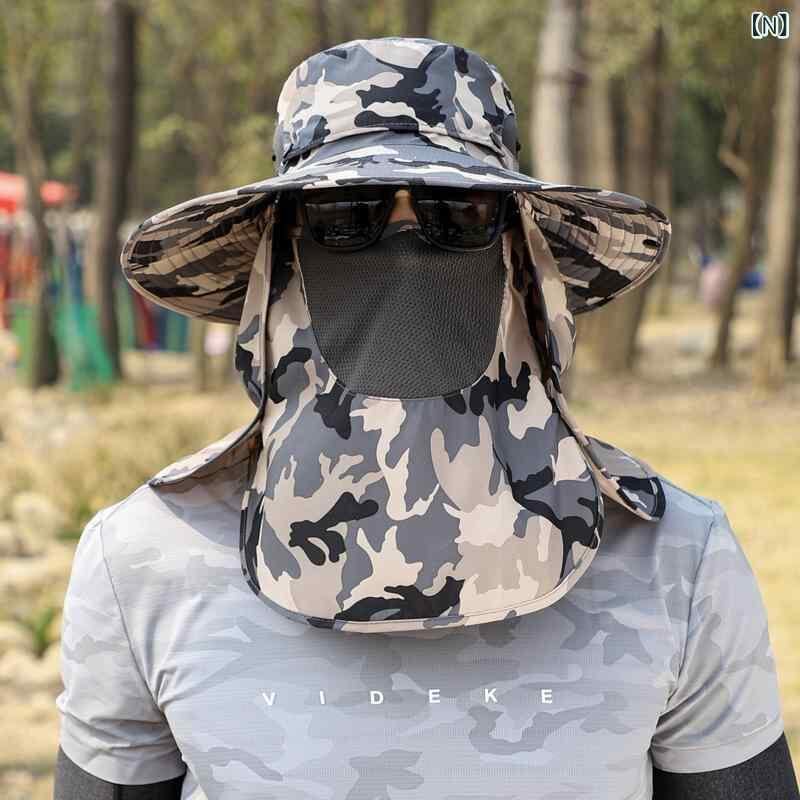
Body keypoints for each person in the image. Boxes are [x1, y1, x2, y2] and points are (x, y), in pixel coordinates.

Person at [54, 37, 799, 800]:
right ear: (278, 262)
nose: (405, 253)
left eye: (459, 212)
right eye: (345, 215)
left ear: (522, 257)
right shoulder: (147, 560)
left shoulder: (675, 559)